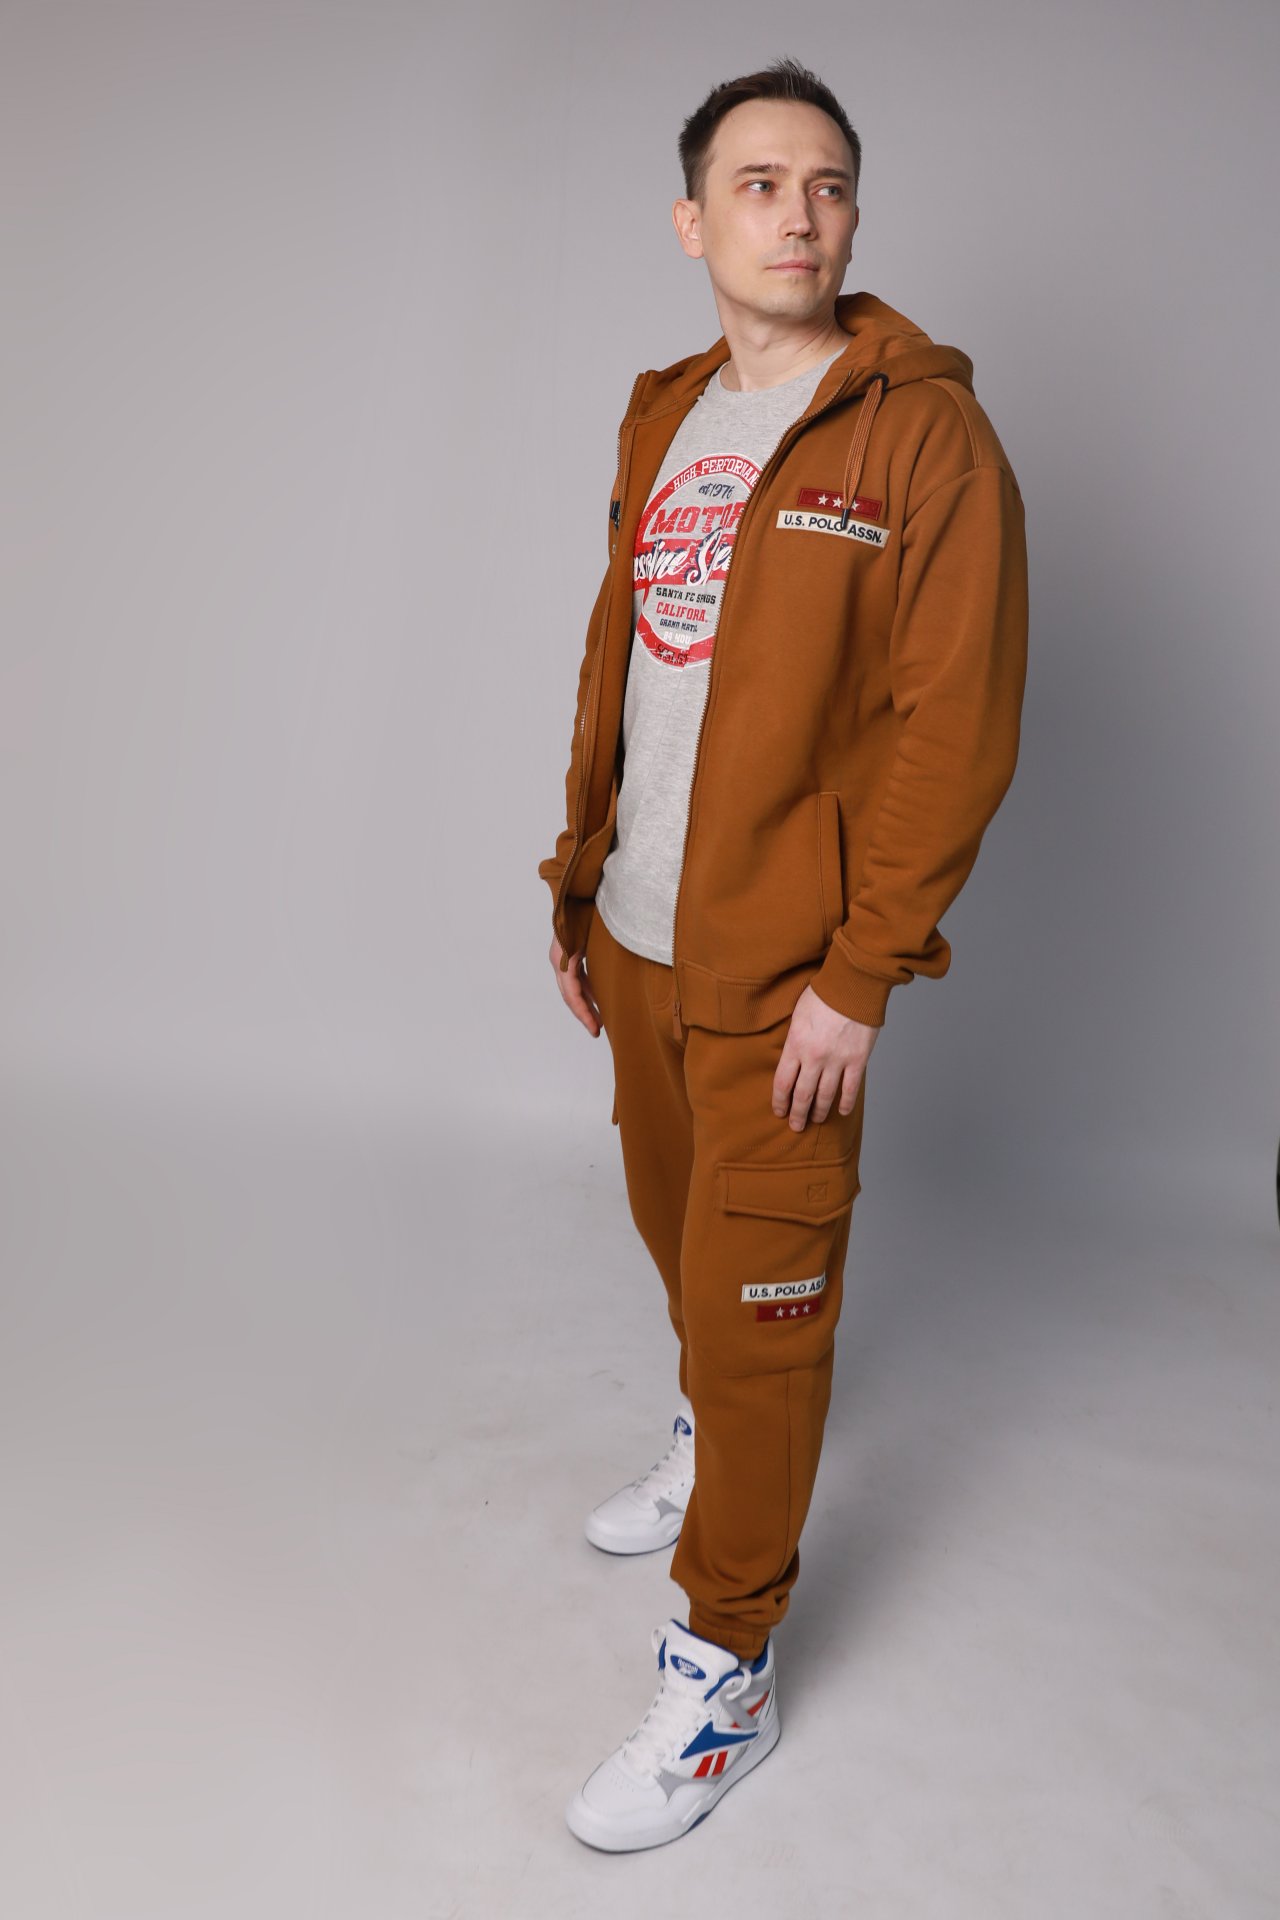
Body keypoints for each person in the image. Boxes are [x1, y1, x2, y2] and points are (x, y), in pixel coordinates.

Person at [537, 56, 1029, 1852]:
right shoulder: (665, 412)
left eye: (826, 184)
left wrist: (862, 972)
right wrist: (580, 876)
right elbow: (624, 661)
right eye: (758, 184)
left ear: (853, 216)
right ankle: (710, 1444)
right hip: (642, 938)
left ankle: (726, 1669)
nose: (798, 213)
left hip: (787, 976)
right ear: (694, 222)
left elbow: (956, 728)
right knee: (679, 1241)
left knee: (762, 1306)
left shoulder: (922, 438)